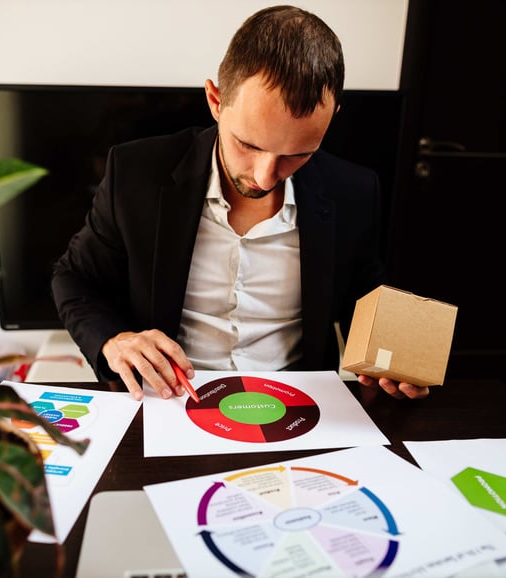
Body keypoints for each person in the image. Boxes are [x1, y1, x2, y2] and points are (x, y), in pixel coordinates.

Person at [51, 5, 429, 402]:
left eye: (298, 154)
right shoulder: (136, 172)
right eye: (248, 144)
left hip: (298, 411)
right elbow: (74, 278)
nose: (265, 176)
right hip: (170, 402)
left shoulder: (354, 190)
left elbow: (364, 298)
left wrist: (394, 361)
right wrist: (115, 339)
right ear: (215, 100)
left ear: (332, 117)